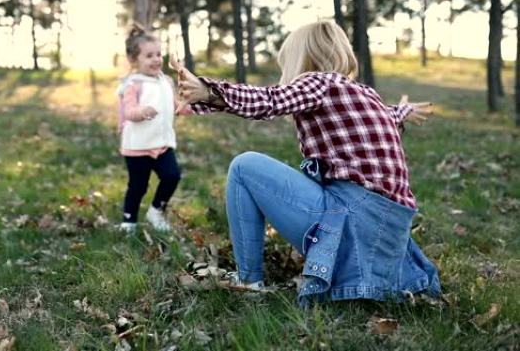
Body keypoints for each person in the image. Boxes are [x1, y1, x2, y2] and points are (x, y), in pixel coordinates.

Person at [171, 20, 441, 306]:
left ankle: (249, 280)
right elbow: (384, 118)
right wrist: (403, 112)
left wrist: (210, 91)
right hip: (384, 237)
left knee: (244, 167)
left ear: (301, 59)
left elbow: (270, 100)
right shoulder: (366, 94)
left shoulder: (317, 83)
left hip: (350, 224)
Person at [117, 24, 190, 233]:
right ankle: (128, 221)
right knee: (138, 186)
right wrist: (142, 112)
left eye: (159, 54)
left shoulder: (165, 81)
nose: (157, 59)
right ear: (134, 60)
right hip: (137, 146)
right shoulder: (133, 84)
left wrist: (187, 108)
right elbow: (128, 111)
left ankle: (156, 210)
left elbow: (174, 104)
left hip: (163, 143)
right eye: (149, 56)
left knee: (172, 176)